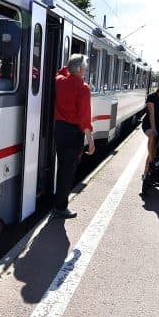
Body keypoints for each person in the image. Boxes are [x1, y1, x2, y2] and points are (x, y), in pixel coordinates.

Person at [53, 54, 95, 219]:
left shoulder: (60, 81)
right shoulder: (83, 88)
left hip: (59, 130)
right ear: (80, 69)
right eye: (84, 67)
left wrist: (69, 68)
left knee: (62, 166)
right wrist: (90, 140)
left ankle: (59, 201)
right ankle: (60, 207)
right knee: (68, 171)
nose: (86, 69)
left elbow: (60, 72)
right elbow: (85, 118)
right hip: (74, 133)